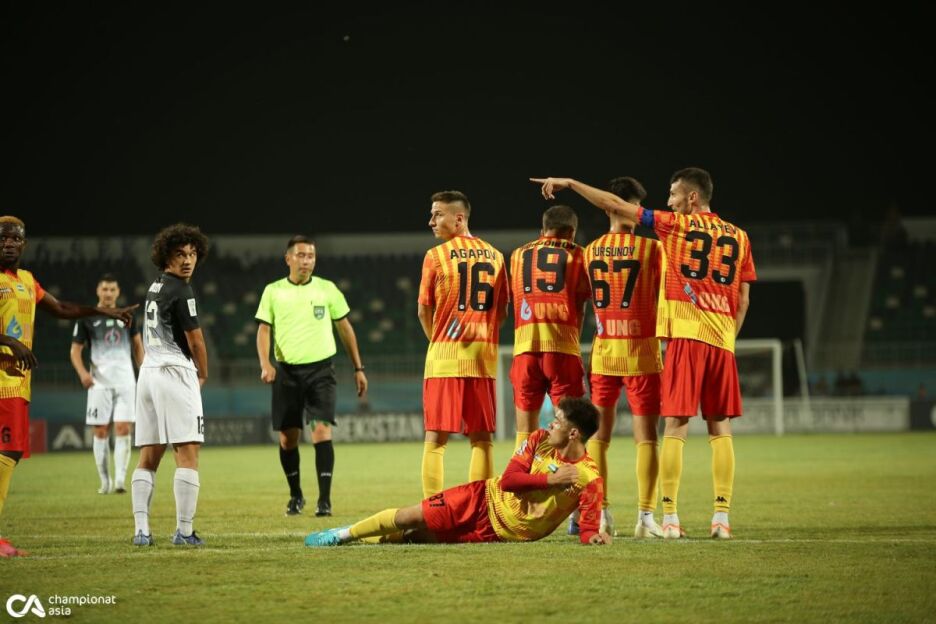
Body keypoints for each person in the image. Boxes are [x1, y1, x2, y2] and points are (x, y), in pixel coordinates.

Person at [531, 167, 756, 539]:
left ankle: (615, 513)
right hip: (661, 350)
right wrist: (727, 337)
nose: (668, 202)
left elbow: (578, 297)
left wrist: (570, 183)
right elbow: (743, 299)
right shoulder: (711, 240)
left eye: (673, 195)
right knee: (697, 431)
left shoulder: (599, 249)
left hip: (612, 349)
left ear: (692, 197)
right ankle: (682, 516)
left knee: (610, 435)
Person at [0, 216, 137, 557]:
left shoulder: (27, 280)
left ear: (24, 244)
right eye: (2, 238)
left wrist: (104, 312)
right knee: (7, 451)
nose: (9, 243)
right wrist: (11, 343)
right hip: (3, 381)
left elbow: (61, 308)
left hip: (17, 380)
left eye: (15, 238)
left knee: (10, 452)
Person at [304, 397, 612, 547]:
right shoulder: (538, 440)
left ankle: (364, 536)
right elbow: (509, 481)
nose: (550, 424)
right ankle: (342, 535)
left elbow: (587, 528)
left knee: (415, 538)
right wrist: (550, 480)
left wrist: (594, 537)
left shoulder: (590, 478)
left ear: (573, 434)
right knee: (412, 516)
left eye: (557, 421)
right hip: (482, 498)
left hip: (497, 534)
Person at [255, 235, 367, 517]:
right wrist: (266, 364)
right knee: (287, 439)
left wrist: (358, 368)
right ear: (288, 259)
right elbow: (264, 330)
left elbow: (345, 328)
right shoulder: (273, 291)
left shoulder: (327, 289)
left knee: (321, 430)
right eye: (301, 255)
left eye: (311, 256)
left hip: (321, 372)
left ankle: (324, 501)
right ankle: (296, 495)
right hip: (287, 373)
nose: (307, 261)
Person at [581, 176, 665, 538]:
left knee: (599, 438)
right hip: (642, 352)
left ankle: (602, 513)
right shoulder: (653, 250)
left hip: (604, 352)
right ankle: (646, 518)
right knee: (646, 438)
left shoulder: (590, 251)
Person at [417, 190, 509, 498]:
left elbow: (423, 310)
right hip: (482, 360)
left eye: (437, 215)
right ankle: (480, 509)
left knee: (435, 440)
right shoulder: (496, 256)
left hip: (444, 359)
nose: (431, 221)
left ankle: (432, 510)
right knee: (482, 440)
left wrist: (440, 340)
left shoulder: (435, 256)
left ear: (459, 219)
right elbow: (502, 312)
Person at [131, 223, 210, 547]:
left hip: (148, 373)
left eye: (192, 254)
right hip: (174, 372)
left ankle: (141, 531)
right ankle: (184, 531)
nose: (187, 260)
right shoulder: (181, 289)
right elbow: (196, 340)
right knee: (187, 452)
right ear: (166, 257)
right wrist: (202, 373)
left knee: (149, 455)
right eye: (180, 254)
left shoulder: (156, 286)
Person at [508, 205, 590, 454]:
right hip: (561, 347)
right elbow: (580, 305)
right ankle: (569, 478)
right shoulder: (579, 255)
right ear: (571, 232)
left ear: (542, 230)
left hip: (525, 348)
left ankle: (524, 476)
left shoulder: (518, 255)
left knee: (525, 431)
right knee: (570, 428)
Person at [70, 274, 145, 494]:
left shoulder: (127, 315)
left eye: (112, 289)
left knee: (123, 428)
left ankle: (120, 480)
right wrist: (83, 373)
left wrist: (144, 371)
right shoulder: (86, 318)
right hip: (99, 383)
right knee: (101, 431)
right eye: (105, 289)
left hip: (125, 381)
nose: (109, 293)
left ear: (118, 292)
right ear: (98, 291)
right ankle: (105, 482)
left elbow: (137, 345)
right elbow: (75, 351)